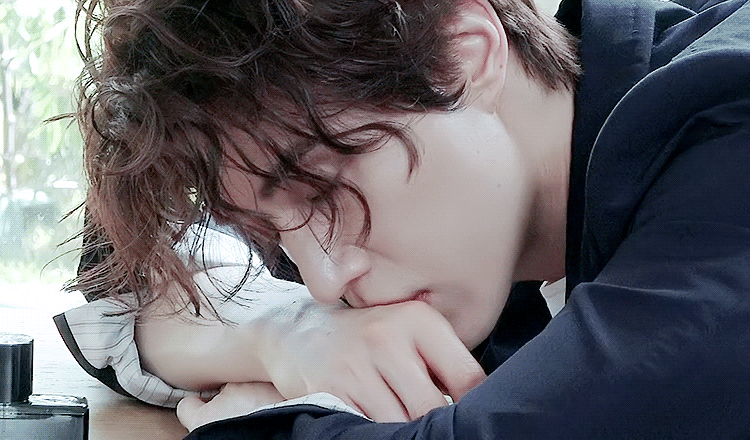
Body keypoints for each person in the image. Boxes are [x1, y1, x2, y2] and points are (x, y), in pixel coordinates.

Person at [55, 0, 750, 437]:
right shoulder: (471, 206)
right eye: (270, 230)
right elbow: (124, 273)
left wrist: (264, 419)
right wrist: (284, 332)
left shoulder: (727, 124)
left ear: (463, 56)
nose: (325, 281)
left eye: (324, 193)